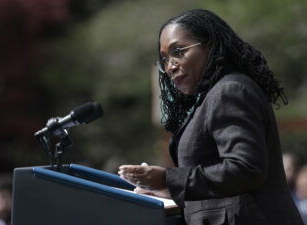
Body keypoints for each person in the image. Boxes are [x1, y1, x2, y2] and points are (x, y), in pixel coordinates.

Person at [118, 9, 303, 225]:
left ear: (210, 46)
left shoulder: (229, 91)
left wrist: (168, 179)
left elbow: (245, 169)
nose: (171, 66)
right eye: (165, 59)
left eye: (179, 51)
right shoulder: (208, 98)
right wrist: (172, 191)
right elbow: (221, 185)